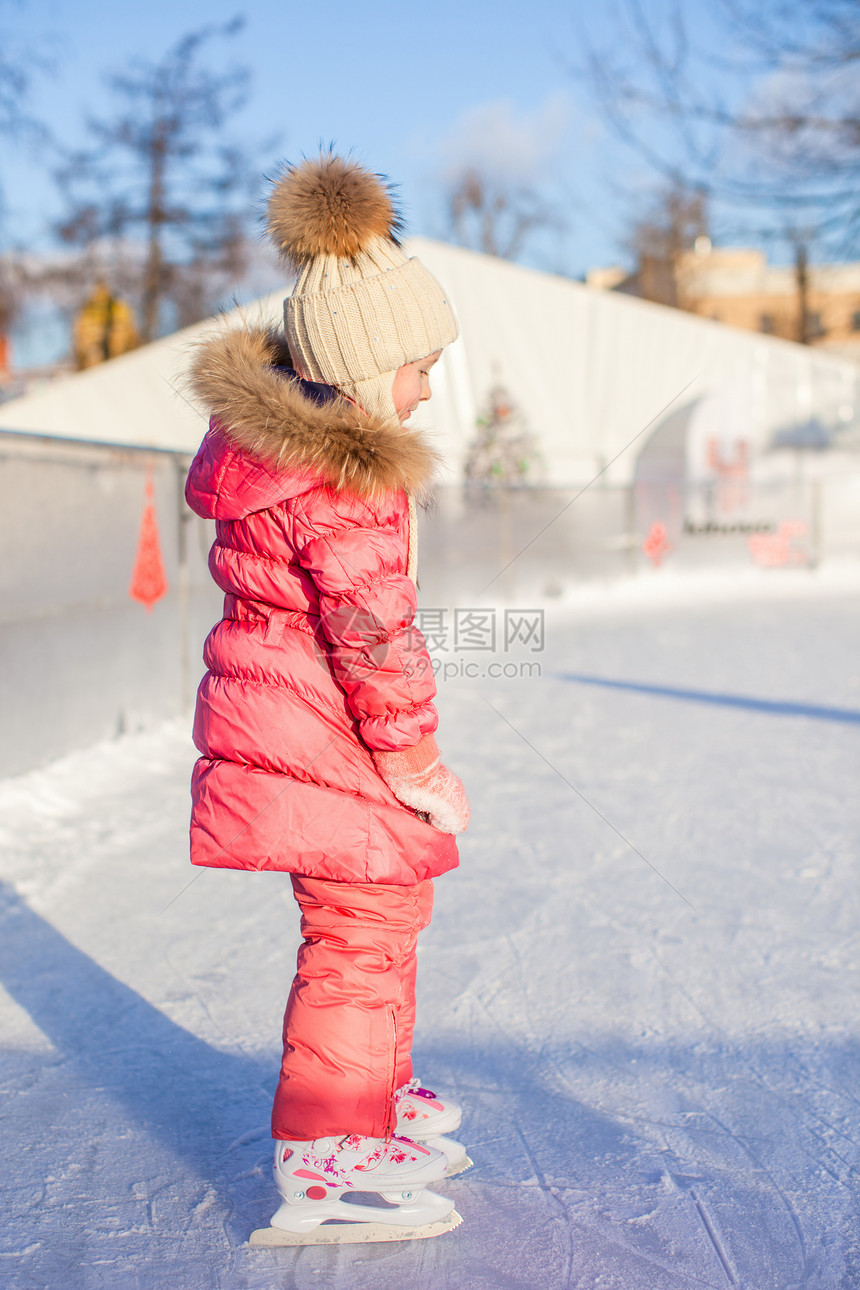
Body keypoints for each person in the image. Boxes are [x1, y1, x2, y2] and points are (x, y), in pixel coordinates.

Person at [184, 153, 470, 1244]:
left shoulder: (289, 464)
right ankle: (325, 1144)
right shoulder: (341, 482)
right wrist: (414, 765)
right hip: (326, 732)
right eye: (418, 367)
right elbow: (372, 638)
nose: (428, 388)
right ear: (359, 373)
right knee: (358, 926)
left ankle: (368, 1100)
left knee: (378, 913)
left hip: (303, 724)